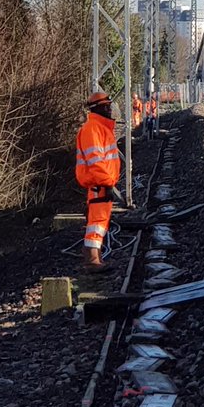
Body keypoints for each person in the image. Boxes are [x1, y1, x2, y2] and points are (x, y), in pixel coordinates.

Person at [75, 91, 120, 274]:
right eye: (107, 106)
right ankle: (92, 259)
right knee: (97, 222)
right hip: (99, 184)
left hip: (102, 183)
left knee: (99, 221)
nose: (110, 109)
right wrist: (107, 183)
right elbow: (96, 161)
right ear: (100, 107)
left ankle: (94, 256)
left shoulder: (100, 128)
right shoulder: (93, 129)